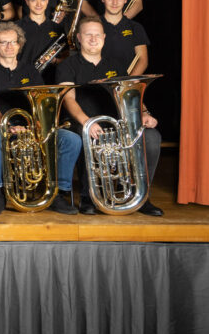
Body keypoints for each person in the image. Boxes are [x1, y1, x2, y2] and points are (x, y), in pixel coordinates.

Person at [57, 17, 163, 216]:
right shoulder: (67, 66)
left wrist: (145, 114)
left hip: (116, 123)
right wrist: (86, 121)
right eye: (88, 34)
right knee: (85, 134)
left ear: (104, 38)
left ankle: (142, 196)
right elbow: (68, 99)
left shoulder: (116, 64)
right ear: (79, 38)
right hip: (84, 122)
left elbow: (130, 94)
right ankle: (89, 197)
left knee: (151, 137)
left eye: (97, 35)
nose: (93, 39)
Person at [0, 22, 80, 215]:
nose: (9, 46)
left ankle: (56, 192)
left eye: (13, 42)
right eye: (3, 43)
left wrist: (37, 126)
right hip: (0, 124)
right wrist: (5, 124)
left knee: (71, 140)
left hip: (30, 125)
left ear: (19, 45)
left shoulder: (31, 71)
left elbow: (39, 103)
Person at [100, 0, 149, 75]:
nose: (115, 2)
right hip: (98, 85)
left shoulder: (136, 27)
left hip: (127, 85)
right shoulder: (92, 26)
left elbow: (143, 60)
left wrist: (127, 85)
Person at [16, 0, 64, 78]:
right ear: (27, 2)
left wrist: (53, 60)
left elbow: (65, 57)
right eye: (33, 0)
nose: (39, 4)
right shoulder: (15, 27)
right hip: (22, 79)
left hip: (50, 79)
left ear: (47, 0)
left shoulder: (57, 28)